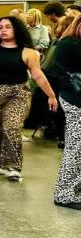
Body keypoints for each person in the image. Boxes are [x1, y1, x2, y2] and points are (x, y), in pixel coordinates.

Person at [0, 17, 57, 182]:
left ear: (16, 30)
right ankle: (1, 162)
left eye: (8, 27)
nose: (3, 30)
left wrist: (51, 95)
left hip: (17, 94)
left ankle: (14, 166)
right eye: (0, 27)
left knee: (11, 127)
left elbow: (38, 75)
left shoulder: (28, 52)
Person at [48, 16, 81, 209]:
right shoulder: (68, 44)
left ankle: (72, 191)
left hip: (73, 97)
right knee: (75, 149)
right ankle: (64, 194)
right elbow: (55, 71)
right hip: (74, 100)